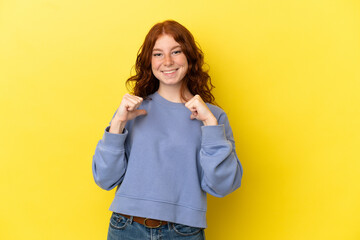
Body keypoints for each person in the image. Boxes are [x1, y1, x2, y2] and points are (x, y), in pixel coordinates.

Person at [92, 20, 243, 240]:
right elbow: (105, 179)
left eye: (176, 51)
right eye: (158, 54)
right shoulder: (132, 111)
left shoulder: (213, 117)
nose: (168, 62)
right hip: (126, 227)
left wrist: (210, 126)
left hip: (184, 232)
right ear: (149, 61)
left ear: (189, 57)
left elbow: (222, 186)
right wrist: (117, 124)